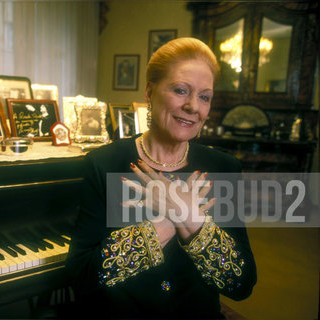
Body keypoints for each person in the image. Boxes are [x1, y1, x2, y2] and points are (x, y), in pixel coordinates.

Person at [65, 37, 257, 319]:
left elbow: (241, 285)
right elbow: (81, 279)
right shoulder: (103, 163)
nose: (193, 106)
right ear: (149, 91)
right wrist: (167, 220)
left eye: (204, 96)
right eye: (181, 90)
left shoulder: (223, 168)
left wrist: (191, 218)